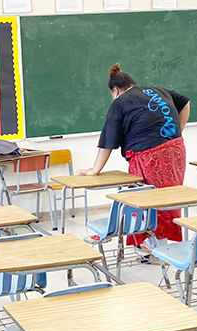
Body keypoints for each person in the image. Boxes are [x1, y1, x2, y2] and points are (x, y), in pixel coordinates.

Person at [76, 63, 190, 252]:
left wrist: (95, 170)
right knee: (167, 199)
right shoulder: (156, 90)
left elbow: (108, 141)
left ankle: (157, 249)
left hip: (151, 156)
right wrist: (179, 130)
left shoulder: (120, 103)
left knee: (147, 200)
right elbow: (185, 102)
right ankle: (154, 245)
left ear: (115, 91)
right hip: (176, 149)